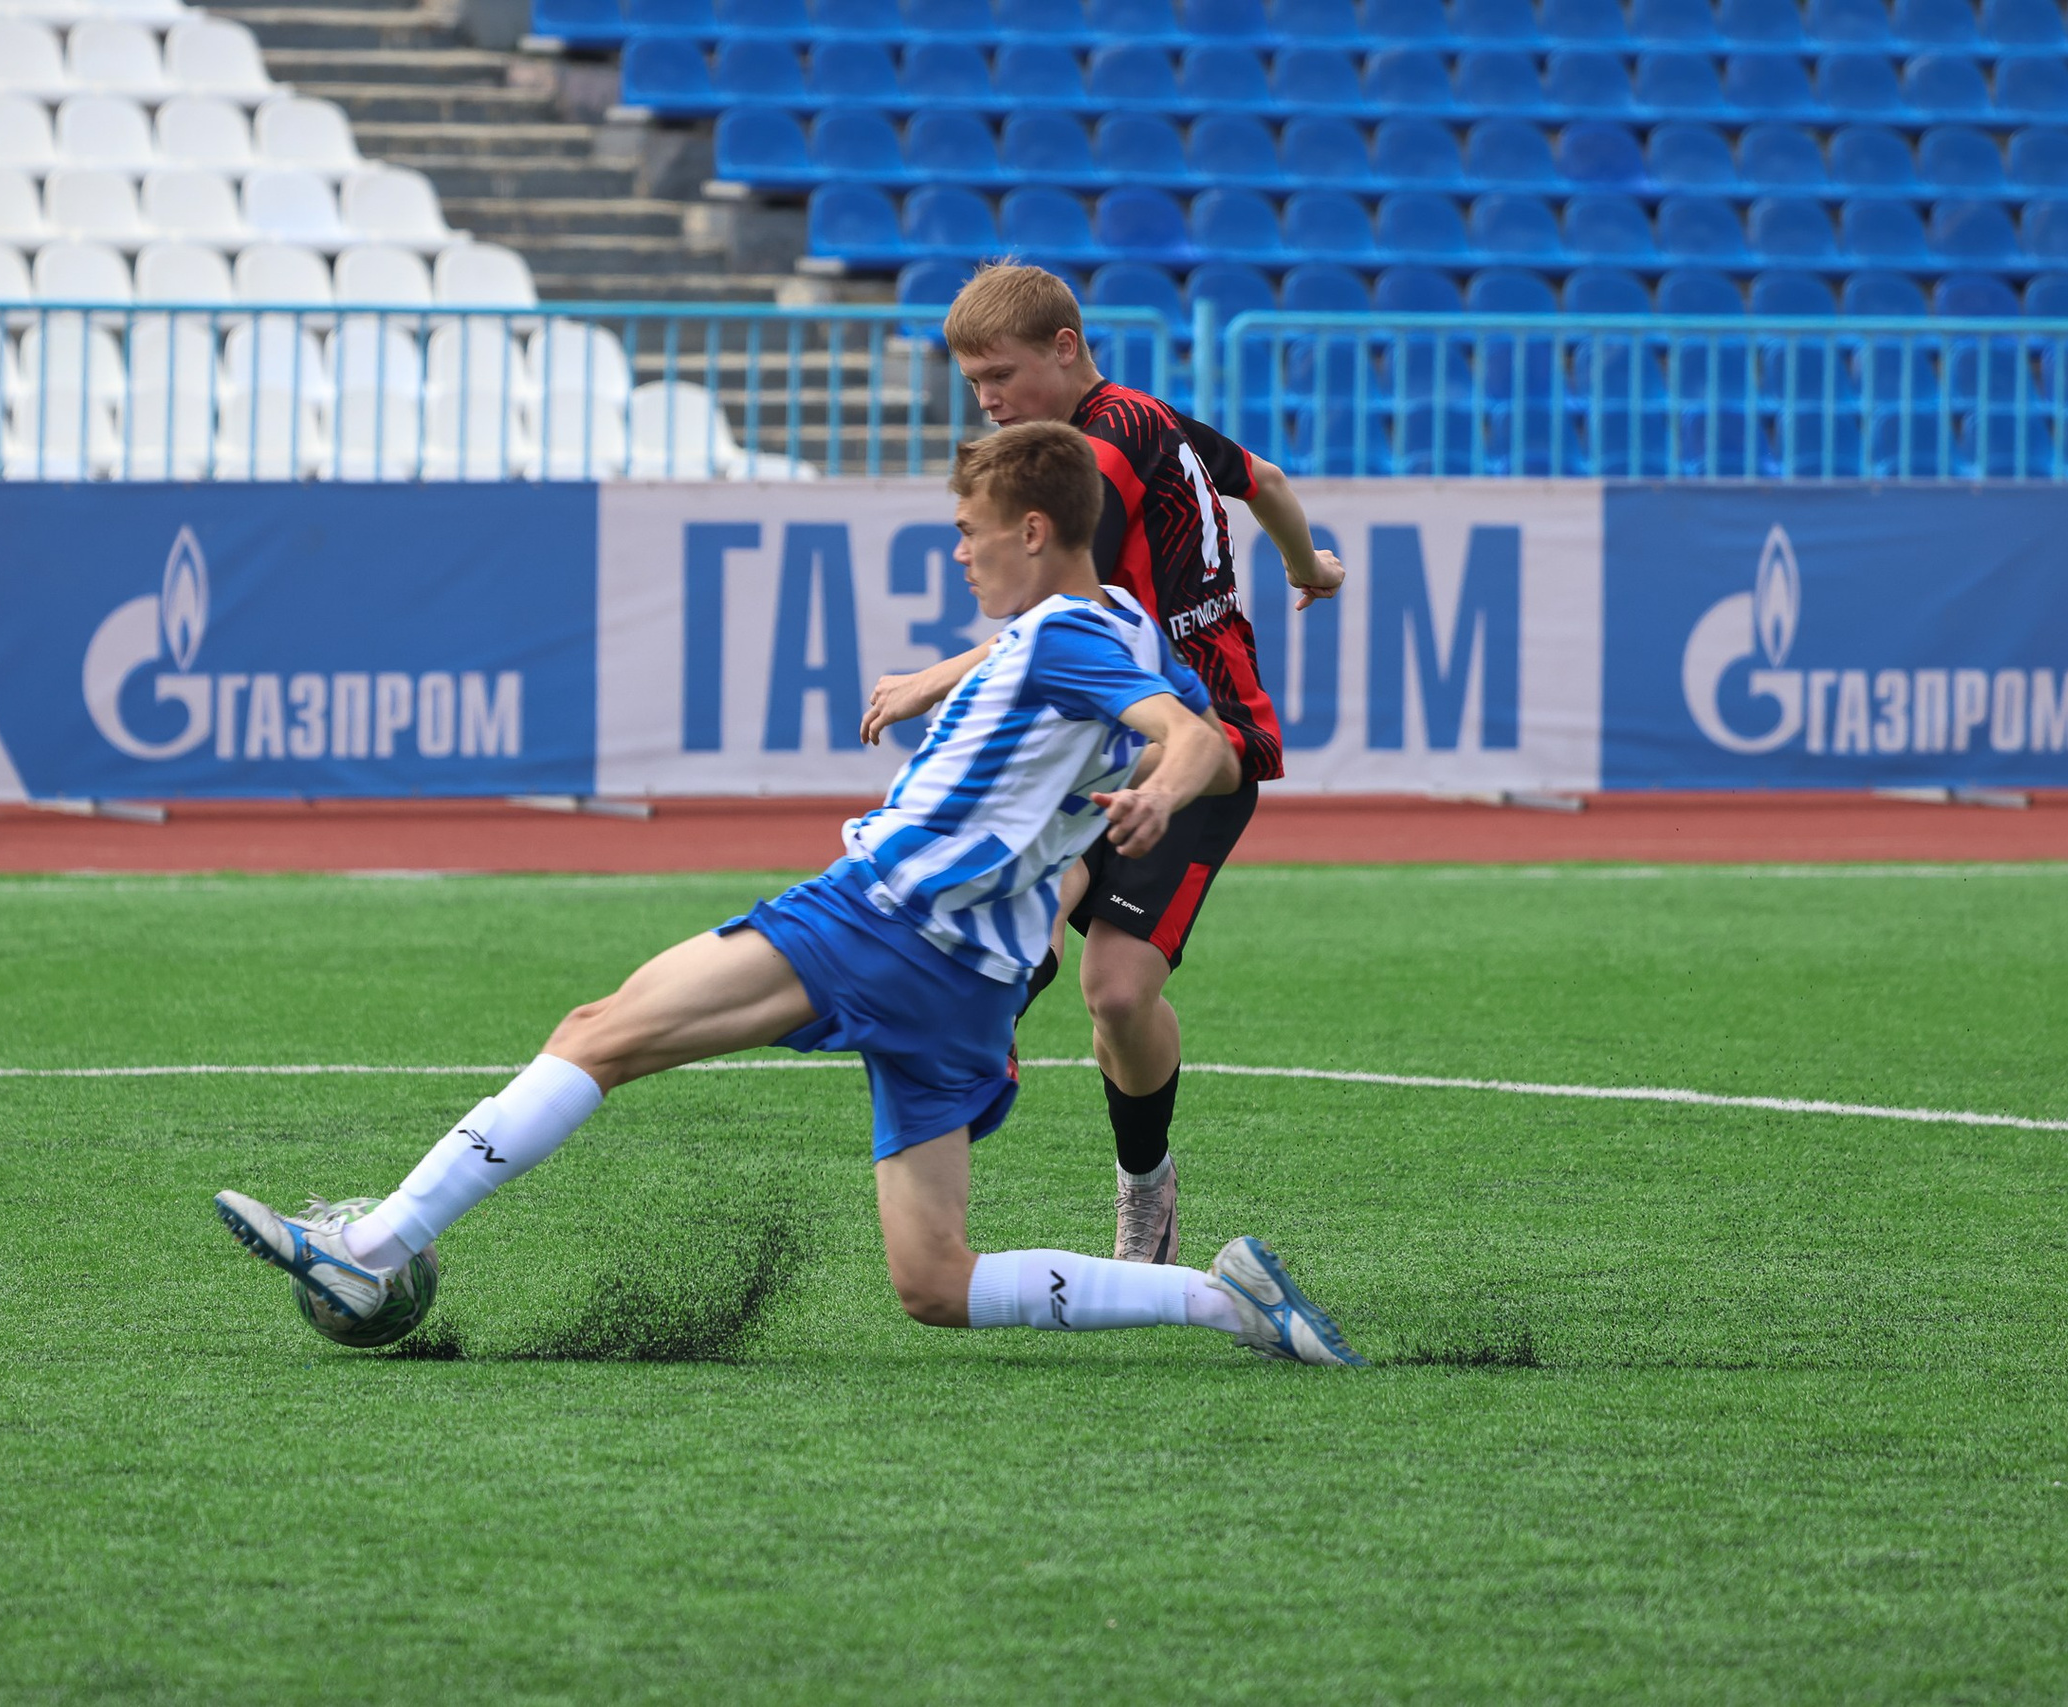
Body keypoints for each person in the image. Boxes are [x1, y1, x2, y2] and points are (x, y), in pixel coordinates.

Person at [214, 423, 1362, 1368]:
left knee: (596, 1035)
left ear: (1031, 529)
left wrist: (1159, 783)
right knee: (934, 1282)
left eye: (967, 534)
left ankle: (375, 1245)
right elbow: (1209, 737)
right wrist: (1168, 777)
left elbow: (1184, 739)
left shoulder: (1068, 636)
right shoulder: (1119, 628)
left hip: (884, 922)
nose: (958, 555)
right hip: (969, 983)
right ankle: (1224, 1304)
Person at [860, 264, 1344, 1270]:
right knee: (1022, 923)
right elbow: (1271, 485)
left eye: (1002, 374)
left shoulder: (1107, 444)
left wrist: (931, 680)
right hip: (1096, 741)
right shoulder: (1144, 424)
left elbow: (1067, 624)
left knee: (1119, 994)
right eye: (973, 381)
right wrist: (1308, 568)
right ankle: (963, 1069)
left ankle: (1144, 1183)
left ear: (1066, 348)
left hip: (1202, 744)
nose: (987, 399)